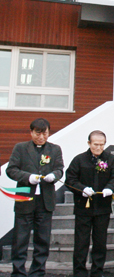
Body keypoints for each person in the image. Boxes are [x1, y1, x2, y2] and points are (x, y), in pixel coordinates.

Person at [7, 118, 64, 277]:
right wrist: (28, 177)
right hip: (25, 198)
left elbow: (60, 169)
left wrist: (54, 175)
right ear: (31, 132)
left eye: (44, 133)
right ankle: (18, 272)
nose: (41, 137)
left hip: (45, 200)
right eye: (37, 133)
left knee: (43, 240)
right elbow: (11, 170)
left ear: (48, 133)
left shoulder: (54, 149)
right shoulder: (20, 148)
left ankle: (38, 272)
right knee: (20, 239)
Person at [65, 130, 114, 277]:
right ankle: (79, 272)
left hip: (102, 207)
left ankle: (97, 271)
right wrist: (81, 189)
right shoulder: (79, 160)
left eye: (102, 145)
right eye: (95, 144)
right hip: (83, 207)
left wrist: (110, 188)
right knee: (81, 242)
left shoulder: (111, 159)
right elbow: (70, 180)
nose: (99, 148)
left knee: (100, 242)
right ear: (89, 143)